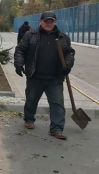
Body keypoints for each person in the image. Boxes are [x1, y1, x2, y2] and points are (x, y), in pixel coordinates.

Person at [14, 11, 75, 140]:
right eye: (46, 21)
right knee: (31, 100)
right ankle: (29, 119)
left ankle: (56, 129)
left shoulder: (62, 37)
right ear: (40, 22)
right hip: (35, 76)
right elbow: (20, 49)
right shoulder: (30, 35)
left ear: (55, 22)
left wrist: (67, 66)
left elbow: (69, 53)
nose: (48, 23)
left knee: (57, 104)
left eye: (51, 21)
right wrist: (19, 64)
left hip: (55, 78)